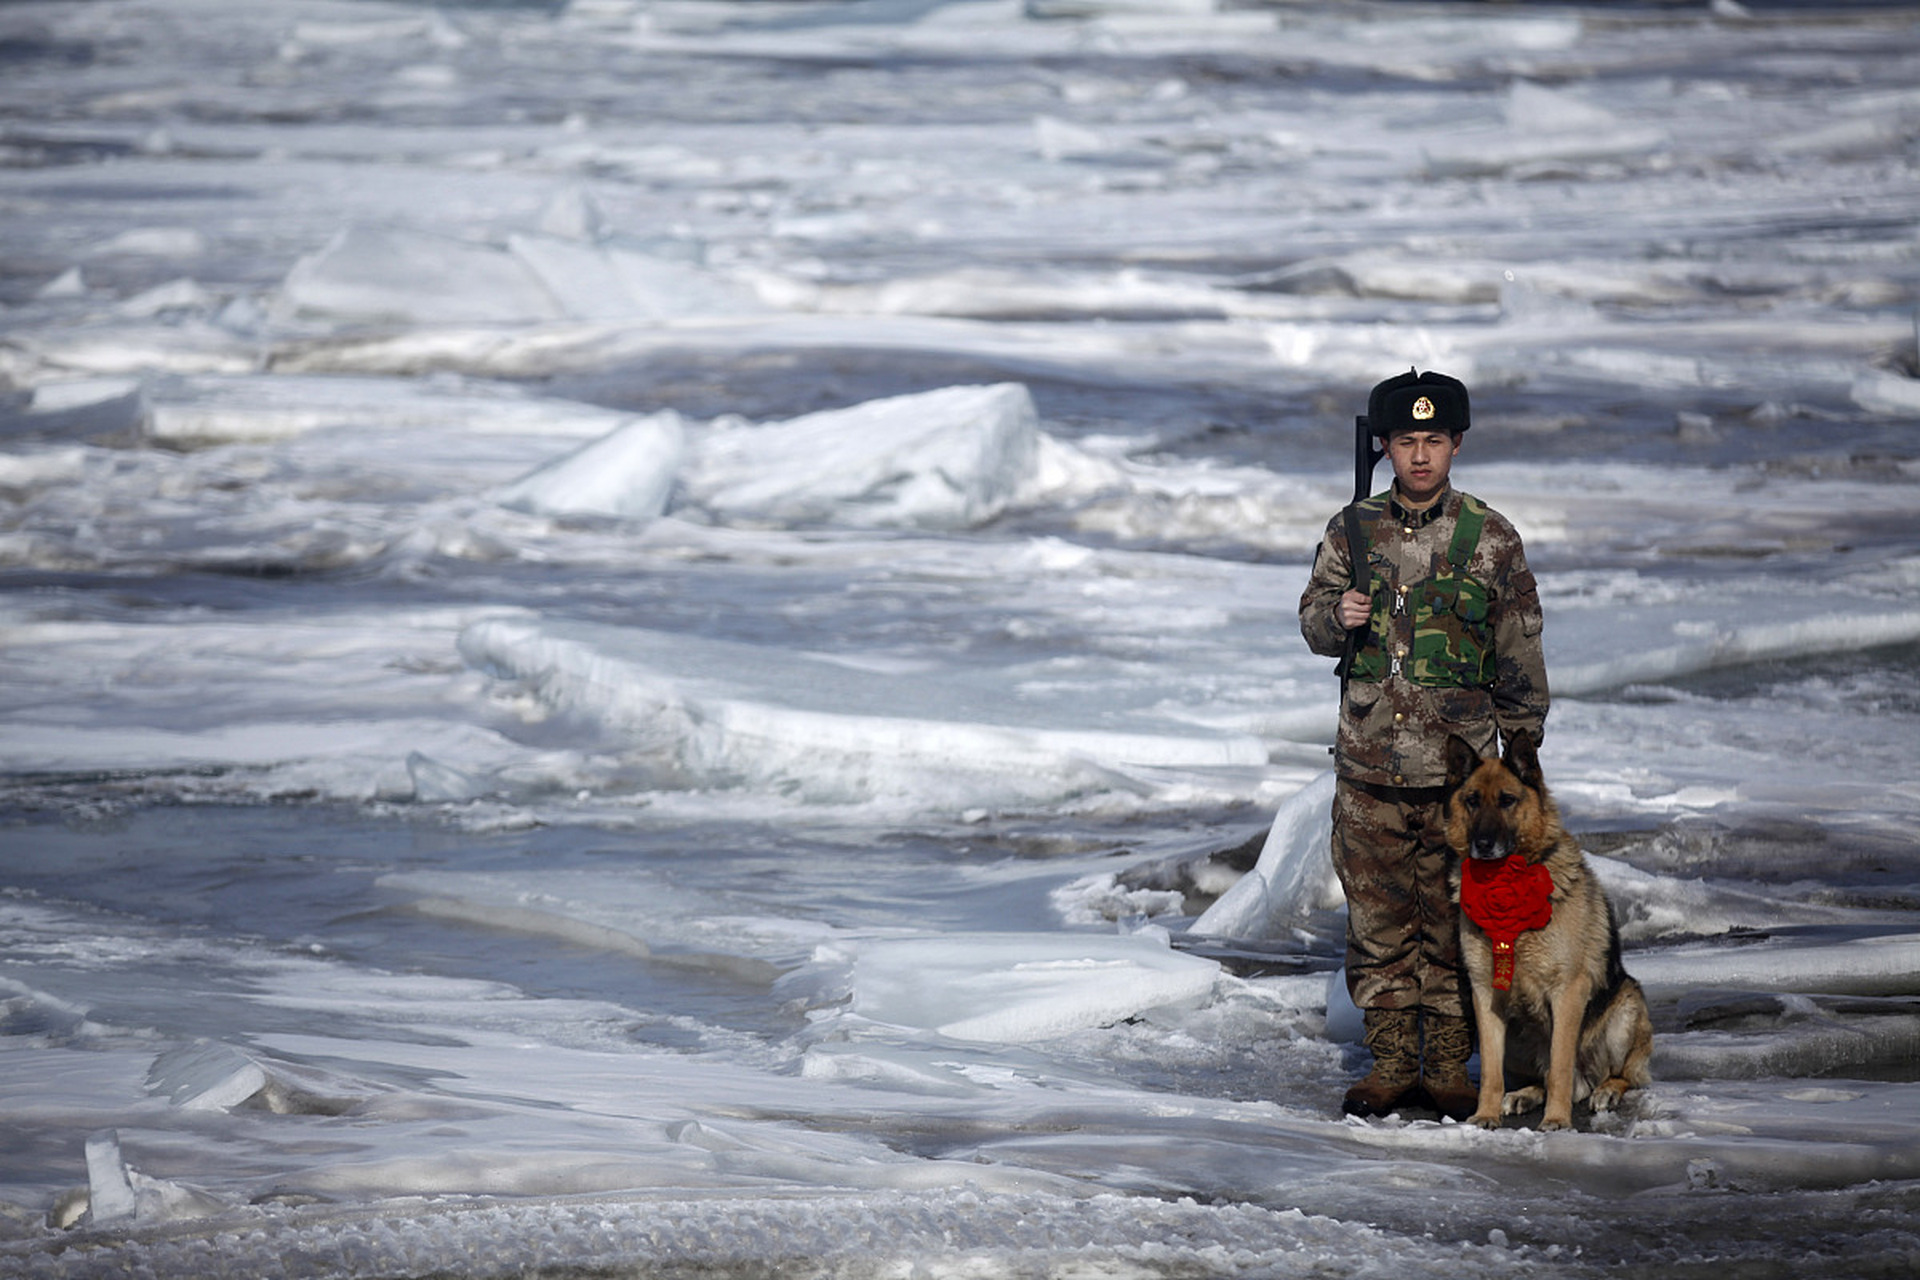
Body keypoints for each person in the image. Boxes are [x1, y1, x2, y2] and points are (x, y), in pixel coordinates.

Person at [1297, 368, 1549, 1120]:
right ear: (1384, 446)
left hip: (1459, 782)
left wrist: (1523, 752)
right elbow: (1310, 623)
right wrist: (1334, 615)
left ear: (1456, 445)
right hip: (1370, 766)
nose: (1418, 455)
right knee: (1377, 922)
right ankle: (1391, 1063)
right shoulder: (1351, 530)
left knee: (1454, 921)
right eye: (1405, 441)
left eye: (1433, 441)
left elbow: (1520, 651)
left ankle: (1447, 1065)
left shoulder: (1491, 538)